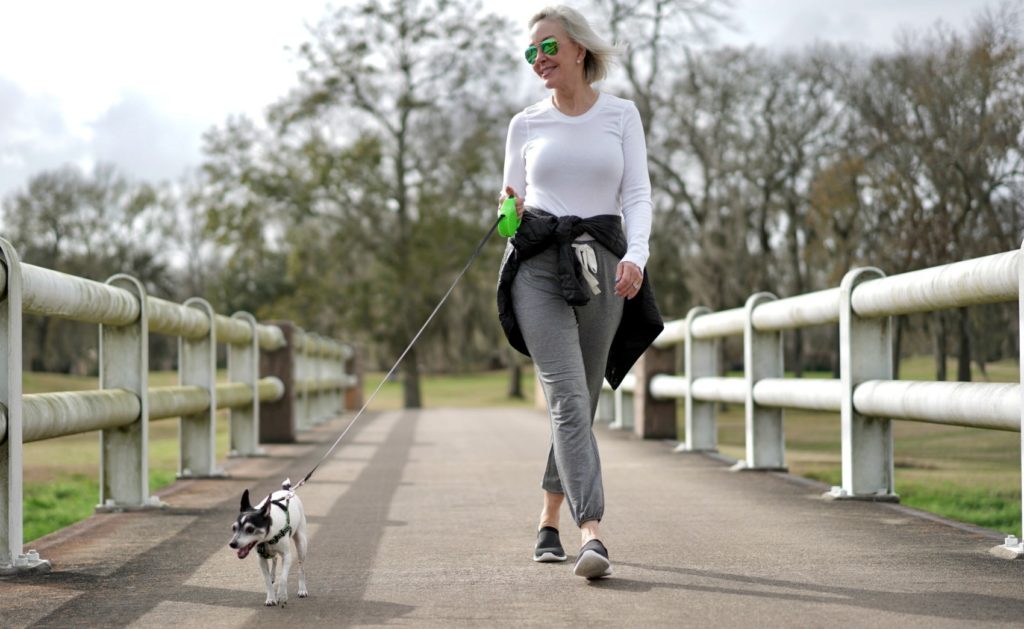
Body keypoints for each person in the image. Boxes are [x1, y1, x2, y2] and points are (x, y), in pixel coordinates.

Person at [496, 5, 663, 580]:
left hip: (606, 267)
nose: (538, 60)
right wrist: (507, 213)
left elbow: (637, 195)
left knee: (582, 401)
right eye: (530, 53)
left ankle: (547, 518)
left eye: (548, 48)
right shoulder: (525, 124)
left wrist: (637, 256)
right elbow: (509, 202)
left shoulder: (621, 116)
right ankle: (591, 532)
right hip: (538, 269)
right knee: (567, 398)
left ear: (579, 51)